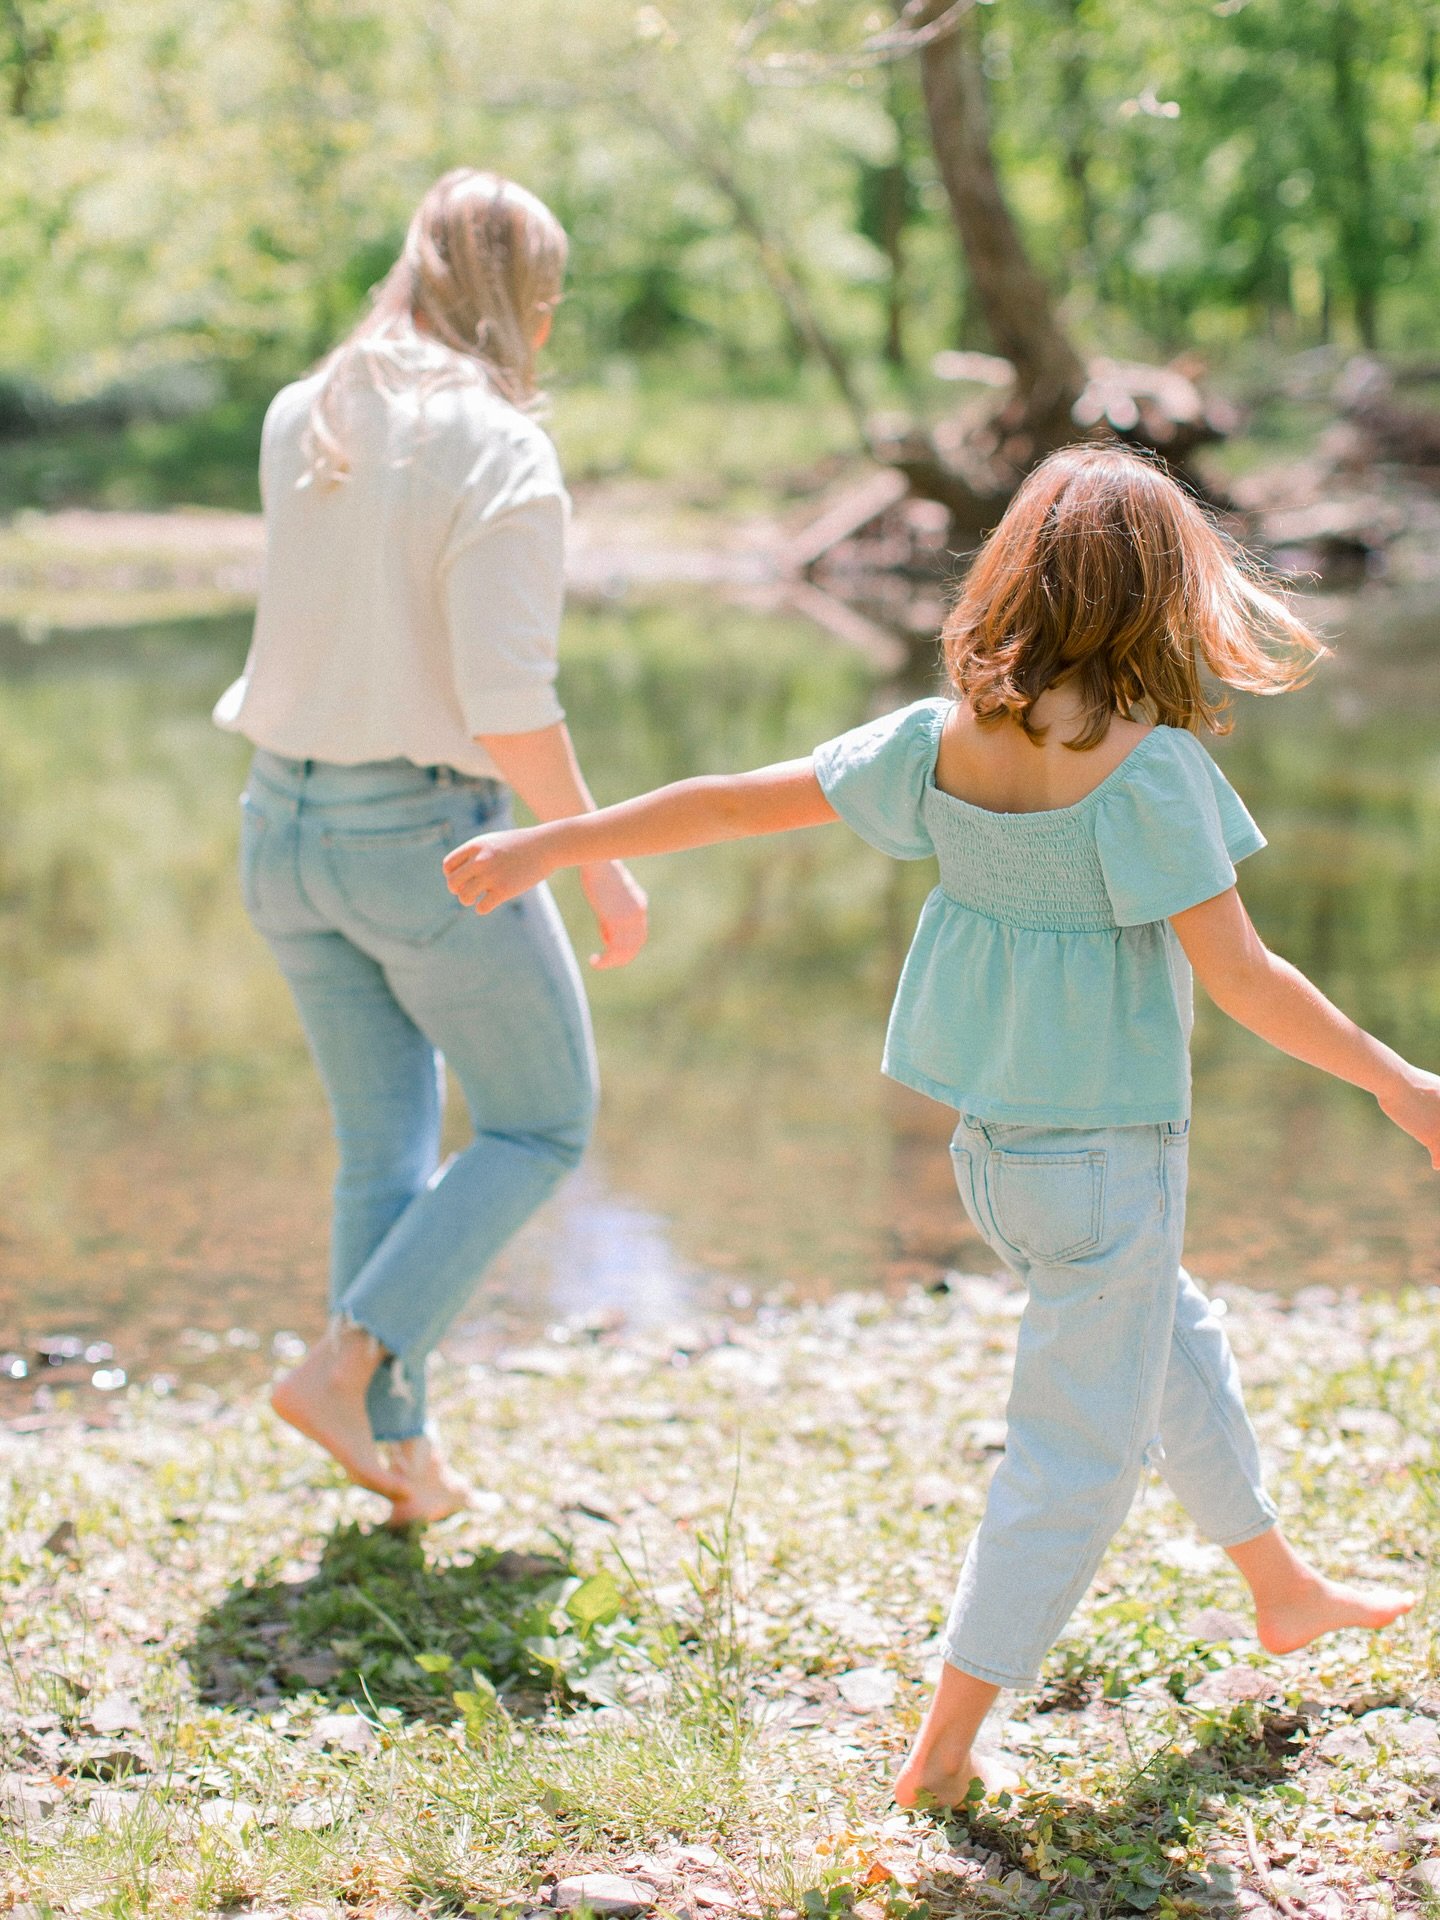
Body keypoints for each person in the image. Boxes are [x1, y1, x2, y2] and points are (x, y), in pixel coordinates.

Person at [442, 445, 1434, 1801]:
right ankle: (944, 1748)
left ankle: (1281, 1586)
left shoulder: (944, 745)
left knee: (1164, 1330)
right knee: (1074, 1452)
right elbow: (1245, 977)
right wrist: (1394, 1080)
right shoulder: (1150, 777)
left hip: (992, 1156)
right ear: (1161, 599)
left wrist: (552, 845)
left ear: (1016, 578)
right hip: (1107, 1154)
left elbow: (738, 800)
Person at [214, 169, 647, 1529]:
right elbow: (507, 700)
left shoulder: (306, 411)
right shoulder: (500, 447)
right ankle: (346, 1370)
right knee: (540, 1118)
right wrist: (592, 851)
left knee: (383, 1153)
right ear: (524, 297)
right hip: (420, 840)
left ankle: (396, 1457)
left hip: (280, 827)